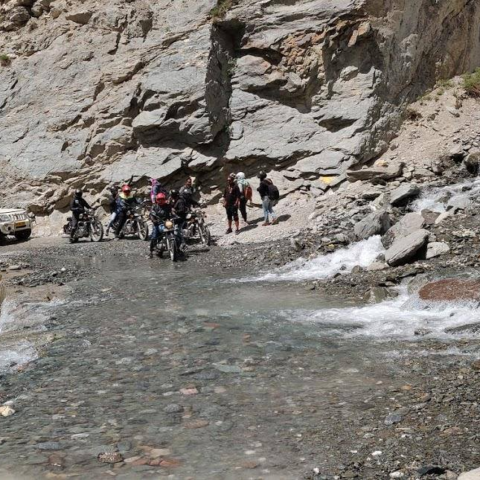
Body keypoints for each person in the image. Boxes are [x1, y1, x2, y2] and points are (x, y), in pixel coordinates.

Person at [148, 192, 172, 258]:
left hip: (167, 223)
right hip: (158, 223)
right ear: (157, 200)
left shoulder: (168, 206)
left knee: (175, 233)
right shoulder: (154, 207)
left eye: (162, 199)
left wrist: (175, 217)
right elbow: (151, 214)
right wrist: (154, 220)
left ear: (164, 199)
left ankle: (177, 248)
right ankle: (151, 251)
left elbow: (172, 212)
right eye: (159, 199)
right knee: (154, 236)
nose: (161, 201)